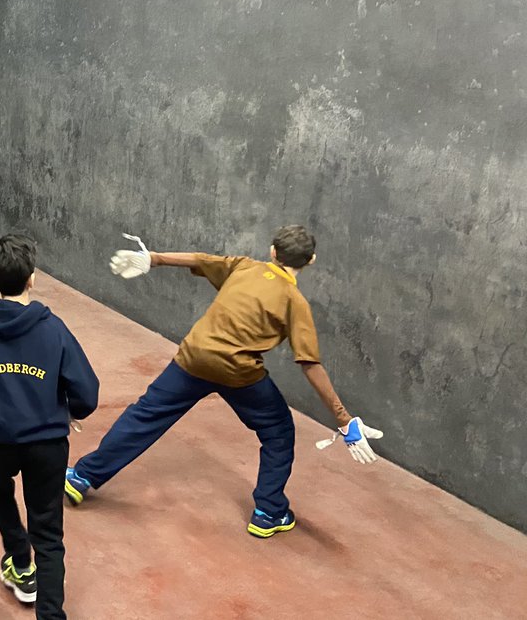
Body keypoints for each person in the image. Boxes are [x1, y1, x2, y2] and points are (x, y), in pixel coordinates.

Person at [64, 225, 384, 538]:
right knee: (279, 433)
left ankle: (82, 476)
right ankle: (268, 513)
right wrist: (344, 419)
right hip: (238, 373)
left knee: (145, 415)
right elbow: (310, 364)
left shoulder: (245, 267)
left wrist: (155, 258)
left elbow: (201, 259)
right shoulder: (294, 301)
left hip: (193, 358)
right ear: (310, 261)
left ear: (273, 252)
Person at [0, 234, 99, 619]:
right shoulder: (54, 330)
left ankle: (20, 564)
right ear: (32, 278)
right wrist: (69, 411)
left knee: (0, 495)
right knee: (48, 532)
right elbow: (87, 391)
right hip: (47, 446)